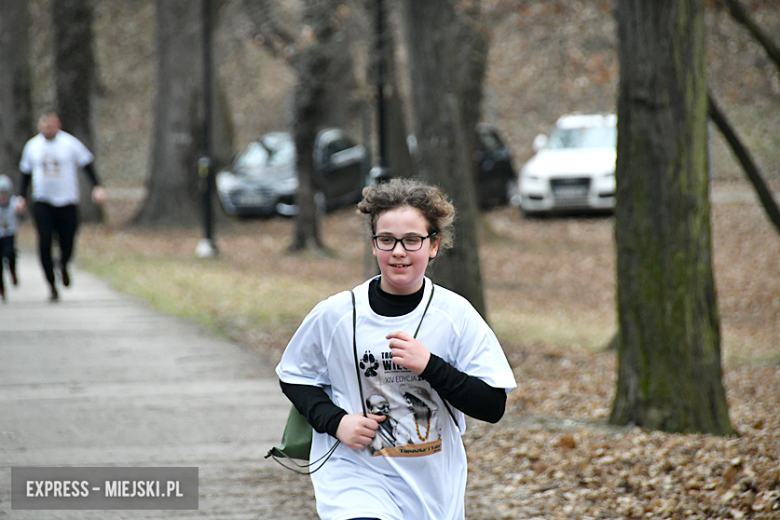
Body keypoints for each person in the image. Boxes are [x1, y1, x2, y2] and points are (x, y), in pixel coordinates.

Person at [276, 178, 516, 520]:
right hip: (354, 476)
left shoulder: (455, 315)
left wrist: (431, 366)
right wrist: (337, 422)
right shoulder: (337, 314)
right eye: (386, 240)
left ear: (433, 245)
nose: (398, 252)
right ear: (374, 245)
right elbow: (294, 377)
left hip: (431, 485)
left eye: (412, 240)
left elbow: (493, 405)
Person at [17, 110, 106, 301]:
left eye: (51, 125)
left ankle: (63, 264)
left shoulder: (69, 143)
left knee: (68, 241)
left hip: (67, 201)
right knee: (45, 241)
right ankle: (51, 284)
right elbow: (25, 173)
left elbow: (87, 164)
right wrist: (21, 196)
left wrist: (97, 187)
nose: (47, 128)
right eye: (44, 125)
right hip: (43, 201)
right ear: (40, 126)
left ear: (58, 124)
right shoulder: (32, 146)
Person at [0, 174, 22, 301]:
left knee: (10, 254)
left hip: (10, 235)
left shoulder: (14, 204)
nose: (2, 197)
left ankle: (13, 271)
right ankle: (2, 289)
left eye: (5, 194)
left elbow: (21, 214)